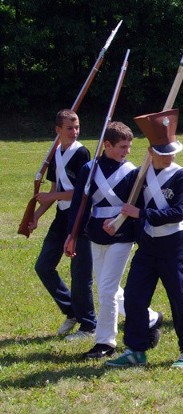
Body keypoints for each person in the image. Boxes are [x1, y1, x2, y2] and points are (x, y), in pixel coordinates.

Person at [105, 109, 183, 368]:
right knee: (135, 298)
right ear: (150, 152)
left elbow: (176, 213)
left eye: (172, 152)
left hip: (172, 247)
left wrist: (142, 213)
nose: (169, 156)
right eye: (163, 152)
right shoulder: (140, 175)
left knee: (179, 300)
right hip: (147, 247)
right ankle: (136, 349)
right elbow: (128, 205)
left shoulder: (179, 175)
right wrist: (116, 223)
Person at [63, 121, 163, 359]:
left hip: (122, 235)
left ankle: (105, 342)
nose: (126, 151)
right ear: (106, 145)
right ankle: (150, 317)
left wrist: (122, 223)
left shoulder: (132, 173)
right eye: (121, 146)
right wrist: (72, 235)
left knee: (106, 289)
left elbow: (136, 206)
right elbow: (79, 205)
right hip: (94, 234)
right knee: (107, 288)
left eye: (129, 146)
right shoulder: (89, 169)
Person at [30, 109, 96, 339]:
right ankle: (72, 311)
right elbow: (54, 190)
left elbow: (81, 193)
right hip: (61, 217)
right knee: (43, 266)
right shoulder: (55, 153)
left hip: (80, 217)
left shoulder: (82, 153)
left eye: (77, 127)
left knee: (80, 274)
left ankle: (88, 325)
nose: (75, 131)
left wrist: (53, 198)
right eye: (70, 128)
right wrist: (37, 215)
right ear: (58, 130)